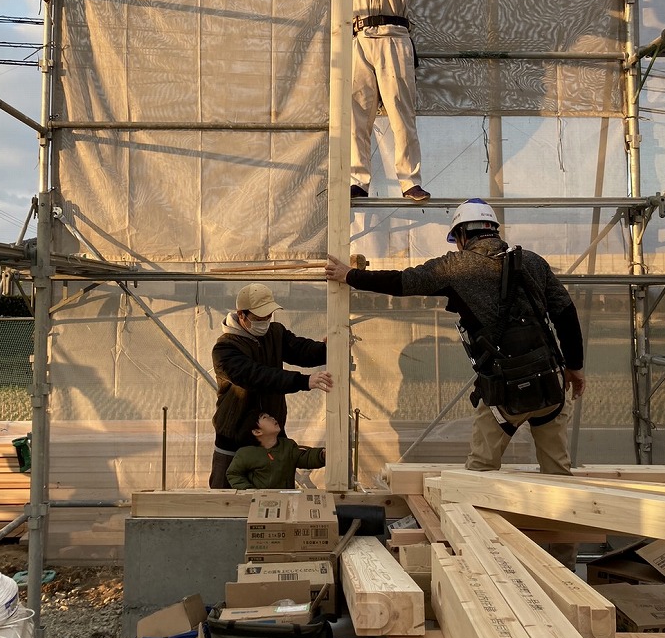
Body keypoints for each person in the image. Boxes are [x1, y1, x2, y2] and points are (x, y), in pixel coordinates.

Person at [325, 199, 586, 567]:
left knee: (479, 476)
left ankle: (484, 557)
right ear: (493, 230)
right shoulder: (533, 262)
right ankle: (564, 564)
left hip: (502, 396)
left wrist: (349, 276)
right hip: (550, 387)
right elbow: (565, 312)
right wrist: (574, 367)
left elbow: (402, 282)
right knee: (558, 478)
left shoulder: (456, 267)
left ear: (462, 235)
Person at [323, 0, 428, 202]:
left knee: (401, 111)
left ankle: (409, 180)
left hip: (393, 37)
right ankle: (358, 179)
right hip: (359, 35)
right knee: (357, 112)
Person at [209, 283, 333, 488]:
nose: (266, 322)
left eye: (268, 316)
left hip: (270, 435)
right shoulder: (224, 349)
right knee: (228, 497)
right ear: (242, 315)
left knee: (275, 495)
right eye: (259, 318)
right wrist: (303, 381)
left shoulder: (275, 332)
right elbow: (256, 377)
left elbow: (300, 349)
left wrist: (327, 348)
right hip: (235, 436)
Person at [226, 411, 326, 490]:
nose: (272, 418)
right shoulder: (246, 453)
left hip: (285, 498)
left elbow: (305, 457)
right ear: (257, 431)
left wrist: (322, 455)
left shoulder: (288, 446)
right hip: (259, 502)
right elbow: (233, 473)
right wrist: (248, 491)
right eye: (265, 417)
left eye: (270, 416)